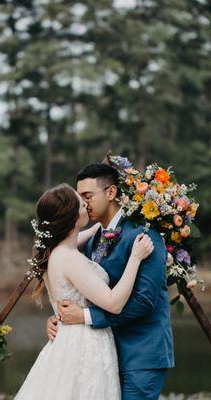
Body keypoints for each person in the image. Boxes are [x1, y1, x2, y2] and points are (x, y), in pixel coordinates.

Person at [14, 183, 154, 400]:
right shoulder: (70, 259)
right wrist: (135, 258)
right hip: (84, 347)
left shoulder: (55, 251)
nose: (87, 205)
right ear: (72, 218)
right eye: (81, 204)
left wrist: (107, 224)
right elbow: (114, 303)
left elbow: (89, 233)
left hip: (67, 341)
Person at [47, 163, 175, 400]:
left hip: (141, 354)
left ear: (111, 192)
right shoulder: (94, 237)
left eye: (88, 196)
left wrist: (84, 317)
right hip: (103, 356)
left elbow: (144, 301)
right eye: (80, 198)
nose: (84, 204)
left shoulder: (143, 235)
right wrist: (60, 317)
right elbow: (83, 289)